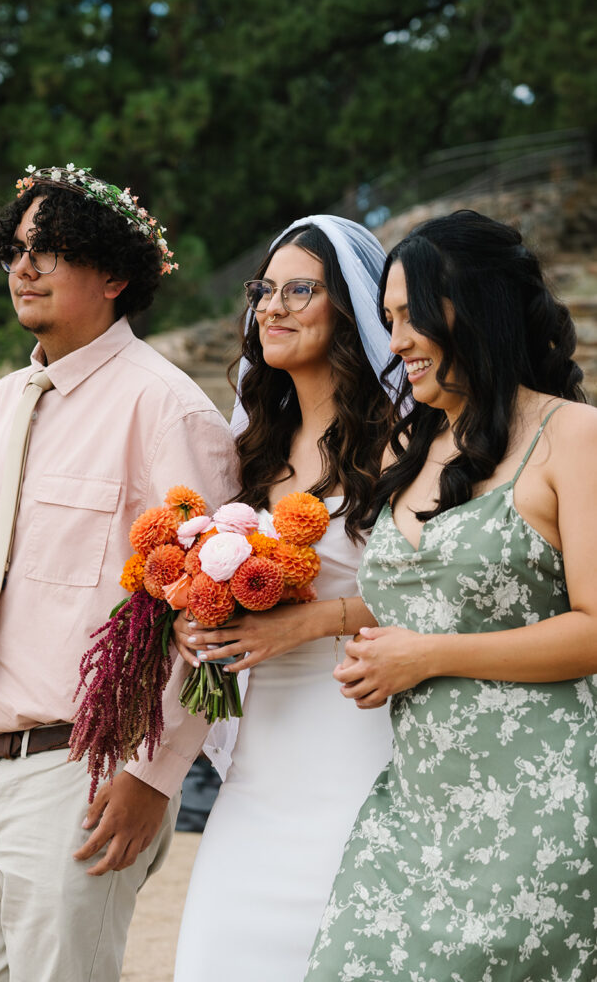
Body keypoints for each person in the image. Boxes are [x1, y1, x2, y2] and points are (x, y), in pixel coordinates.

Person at [0, 165, 238, 982]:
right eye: (16, 250)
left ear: (114, 274)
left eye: (51, 250)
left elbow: (207, 614)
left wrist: (151, 776)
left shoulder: (168, 411)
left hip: (81, 775)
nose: (24, 268)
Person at [306, 209, 597, 981]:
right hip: (415, 804)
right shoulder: (410, 447)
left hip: (544, 805)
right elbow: (429, 603)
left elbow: (594, 630)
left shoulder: (574, 436)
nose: (395, 342)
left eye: (412, 317)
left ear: (476, 308)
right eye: (388, 320)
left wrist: (425, 656)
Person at [172, 215, 398, 982]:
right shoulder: (252, 451)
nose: (271, 306)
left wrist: (310, 623)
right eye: (263, 290)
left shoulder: (400, 446)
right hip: (258, 763)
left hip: (358, 738)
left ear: (352, 310)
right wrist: (195, 615)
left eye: (299, 290)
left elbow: (438, 589)